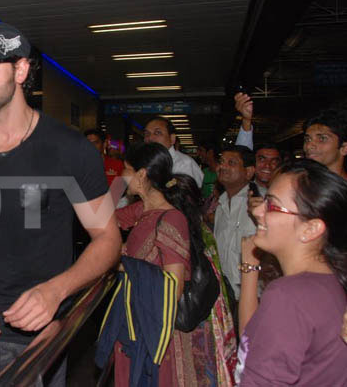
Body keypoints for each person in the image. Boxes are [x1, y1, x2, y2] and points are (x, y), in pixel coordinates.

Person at [0, 21, 120, 386]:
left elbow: (108, 239)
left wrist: (55, 291)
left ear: (22, 69)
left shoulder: (70, 151)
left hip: (36, 335)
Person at [114, 142, 222, 386]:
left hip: (155, 332)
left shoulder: (171, 219)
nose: (121, 177)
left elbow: (172, 289)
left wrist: (125, 265)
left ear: (141, 175)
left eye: (126, 170)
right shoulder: (143, 209)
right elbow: (101, 223)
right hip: (137, 321)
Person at [235, 160, 347, 386]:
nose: (257, 211)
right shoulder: (327, 281)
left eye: (272, 206)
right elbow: (256, 340)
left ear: (310, 229)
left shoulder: (289, 295)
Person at [214, 146, 256, 300]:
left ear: (249, 171)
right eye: (221, 162)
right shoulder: (221, 205)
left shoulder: (259, 203)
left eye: (231, 163)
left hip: (252, 295)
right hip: (226, 294)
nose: (222, 167)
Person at [233, 93, 282, 190]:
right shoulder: (241, 192)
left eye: (274, 161)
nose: (267, 165)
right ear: (252, 163)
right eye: (262, 159)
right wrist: (246, 120)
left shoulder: (289, 193)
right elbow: (243, 151)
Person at [143, 117, 203, 187]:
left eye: (157, 133)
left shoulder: (184, 164)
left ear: (172, 139)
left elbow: (179, 195)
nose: (150, 138)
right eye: (147, 134)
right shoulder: (146, 162)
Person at [303, 108, 347, 180]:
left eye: (322, 139)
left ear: (344, 148)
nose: (309, 146)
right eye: (307, 139)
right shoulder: (301, 185)